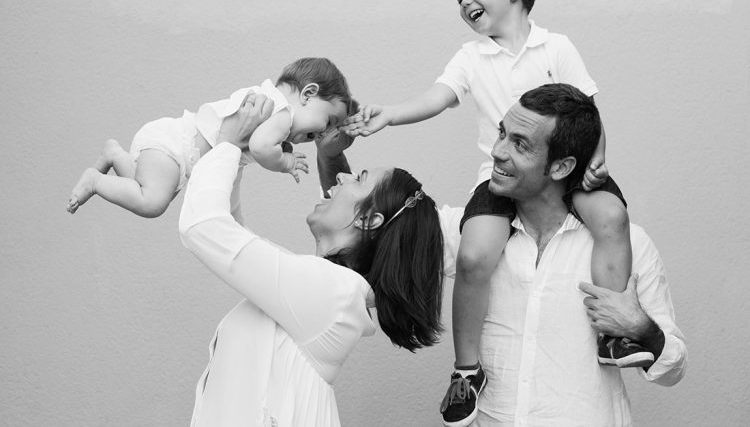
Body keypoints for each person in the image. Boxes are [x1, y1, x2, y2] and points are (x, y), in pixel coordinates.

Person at [342, 0, 645, 425]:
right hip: (499, 180)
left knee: (612, 218)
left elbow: (588, 109)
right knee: (474, 255)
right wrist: (390, 115)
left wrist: (597, 158)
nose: (464, 1)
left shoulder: (556, 47)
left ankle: (613, 335)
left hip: (570, 168)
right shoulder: (471, 57)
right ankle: (467, 370)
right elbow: (439, 97)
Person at [327, 84, 687, 426]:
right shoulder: (471, 234)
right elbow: (357, 222)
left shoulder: (630, 244)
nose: (498, 151)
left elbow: (673, 370)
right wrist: (328, 153)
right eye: (502, 133)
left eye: (520, 144)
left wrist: (642, 328)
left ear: (561, 167)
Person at [178, 93, 445, 426]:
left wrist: (229, 143)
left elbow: (204, 227)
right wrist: (240, 153)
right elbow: (231, 234)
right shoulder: (329, 293)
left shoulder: (330, 295)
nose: (342, 178)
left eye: (359, 178)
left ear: (370, 221)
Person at [67, 57, 354, 218]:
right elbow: (260, 147)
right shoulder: (280, 112)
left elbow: (232, 173)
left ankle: (115, 154)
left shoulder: (271, 112)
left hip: (175, 148)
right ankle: (95, 181)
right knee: (152, 203)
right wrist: (285, 163)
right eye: (329, 121)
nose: (322, 133)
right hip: (175, 147)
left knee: (146, 188)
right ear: (308, 94)